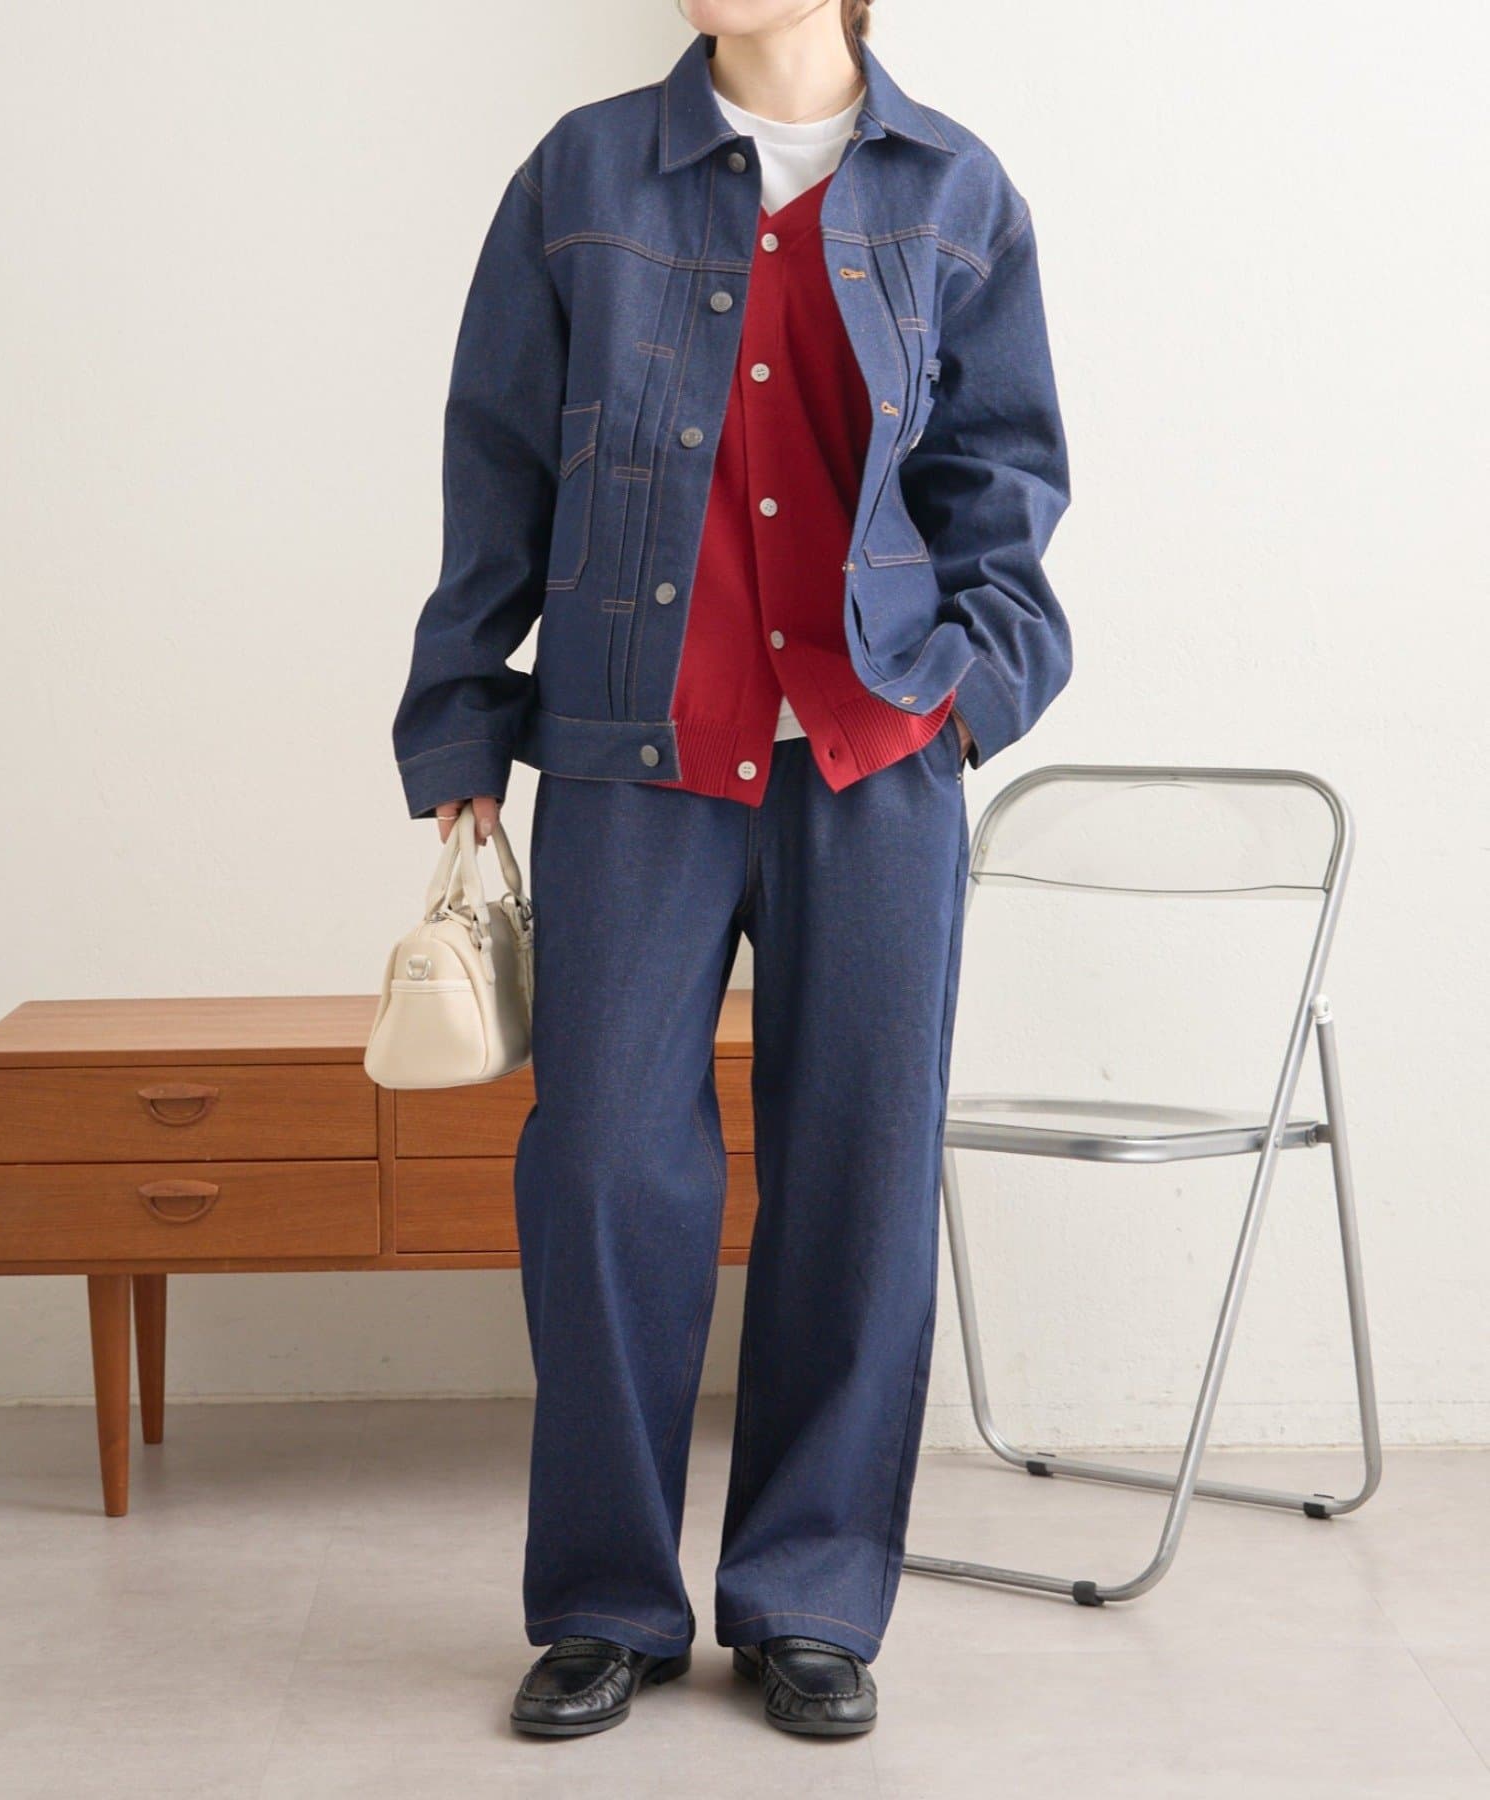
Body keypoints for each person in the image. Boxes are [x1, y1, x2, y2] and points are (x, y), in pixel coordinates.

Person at [391, 0, 1071, 1739]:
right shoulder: (582, 176)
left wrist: (964, 704)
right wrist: (463, 728)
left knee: (857, 1173)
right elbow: (496, 462)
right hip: (635, 755)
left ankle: (811, 1600)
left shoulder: (958, 191)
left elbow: (1003, 485)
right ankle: (605, 1604)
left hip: (872, 764)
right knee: (603, 1169)